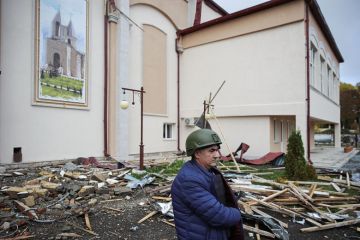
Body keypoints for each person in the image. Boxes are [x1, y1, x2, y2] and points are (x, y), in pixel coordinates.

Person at [171, 129, 244, 240]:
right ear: (197, 153)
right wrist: (237, 212)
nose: (217, 155)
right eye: (211, 151)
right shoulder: (189, 180)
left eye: (217, 150)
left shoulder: (207, 171)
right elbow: (220, 217)